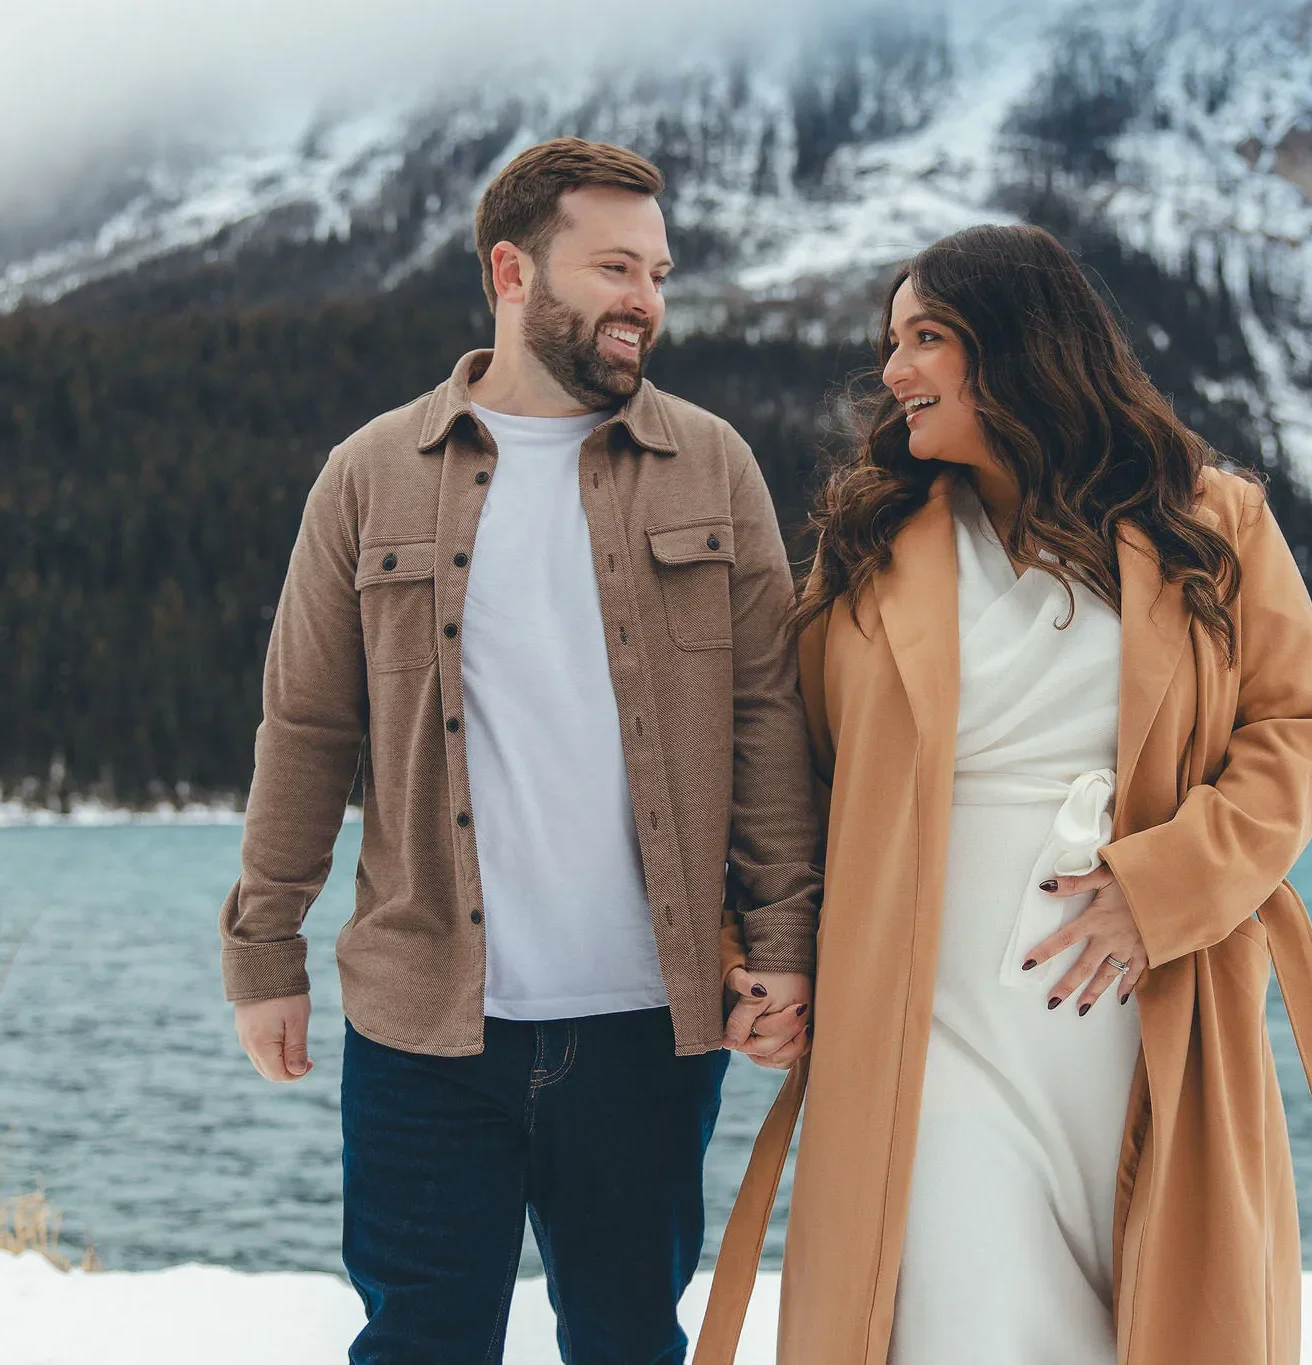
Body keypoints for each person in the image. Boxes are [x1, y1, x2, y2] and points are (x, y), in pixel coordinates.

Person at [696, 225, 1312, 1364]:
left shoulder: (1210, 519)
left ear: (1021, 347)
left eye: (924, 338)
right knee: (964, 1310)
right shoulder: (870, 550)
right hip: (920, 1006)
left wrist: (1167, 886)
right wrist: (761, 943)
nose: (892, 373)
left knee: (1147, 1314)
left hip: (1153, 1003)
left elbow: (1296, 730)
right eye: (891, 342)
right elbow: (789, 775)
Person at [218, 137, 819, 1364]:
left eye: (657, 270)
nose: (644, 299)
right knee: (421, 1343)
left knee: (623, 1341)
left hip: (650, 1024)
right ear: (512, 270)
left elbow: (768, 717)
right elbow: (308, 725)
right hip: (425, 1027)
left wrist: (784, 940)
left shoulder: (711, 465)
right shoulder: (368, 475)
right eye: (612, 266)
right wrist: (262, 944)